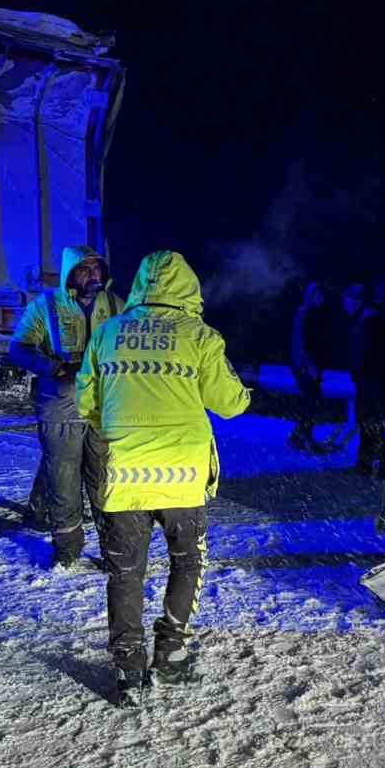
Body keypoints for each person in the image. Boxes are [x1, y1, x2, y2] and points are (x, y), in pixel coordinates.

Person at [76, 250, 250, 705]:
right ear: (188, 288)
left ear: (138, 287)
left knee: (125, 574)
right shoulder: (198, 336)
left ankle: (128, 671)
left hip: (123, 478)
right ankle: (170, 654)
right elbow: (230, 404)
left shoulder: (108, 334)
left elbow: (85, 403)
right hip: (182, 478)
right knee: (187, 562)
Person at [8, 245, 124, 565]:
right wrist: (55, 368)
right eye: (85, 270)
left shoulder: (116, 306)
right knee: (63, 481)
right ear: (70, 274)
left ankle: (113, 550)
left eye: (97, 269)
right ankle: (68, 550)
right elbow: (18, 348)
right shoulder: (46, 306)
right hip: (60, 406)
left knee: (105, 480)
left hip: (104, 409)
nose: (93, 275)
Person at [345, 283, 385, 478]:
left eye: (349, 299)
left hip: (371, 381)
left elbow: (369, 353)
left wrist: (364, 375)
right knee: (371, 423)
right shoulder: (368, 319)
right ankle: (371, 464)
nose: (346, 303)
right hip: (372, 381)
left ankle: (374, 464)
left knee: (371, 423)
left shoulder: (368, 320)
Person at [286, 281, 331, 452]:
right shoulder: (305, 313)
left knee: (312, 401)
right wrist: (309, 366)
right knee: (311, 402)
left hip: (309, 365)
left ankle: (300, 436)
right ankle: (303, 437)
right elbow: (300, 342)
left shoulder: (312, 313)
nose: (322, 298)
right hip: (305, 366)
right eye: (319, 295)